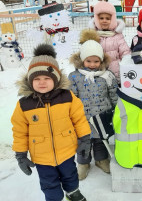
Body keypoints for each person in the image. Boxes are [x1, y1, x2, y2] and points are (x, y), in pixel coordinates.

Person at [11, 44, 91, 201]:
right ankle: (54, 198)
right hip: (41, 157)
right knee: (49, 182)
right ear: (30, 80)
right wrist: (20, 154)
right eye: (37, 79)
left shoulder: (67, 97)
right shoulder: (24, 104)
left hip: (67, 151)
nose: (42, 82)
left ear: (56, 79)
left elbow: (79, 119)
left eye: (47, 78)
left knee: (70, 175)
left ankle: (72, 191)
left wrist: (85, 139)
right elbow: (20, 131)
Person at [68, 29, 118, 180]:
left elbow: (113, 93)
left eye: (96, 61)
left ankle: (101, 160)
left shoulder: (107, 76)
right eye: (88, 61)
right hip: (82, 117)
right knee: (83, 141)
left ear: (101, 61)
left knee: (100, 140)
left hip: (101, 115)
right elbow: (71, 97)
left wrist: (116, 109)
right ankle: (83, 163)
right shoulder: (75, 77)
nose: (92, 64)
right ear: (82, 60)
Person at [89, 0, 131, 83]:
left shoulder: (117, 36)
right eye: (101, 18)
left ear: (112, 20)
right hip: (98, 74)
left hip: (116, 74)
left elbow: (126, 53)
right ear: (97, 19)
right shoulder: (92, 36)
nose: (104, 21)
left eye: (107, 18)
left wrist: (125, 67)